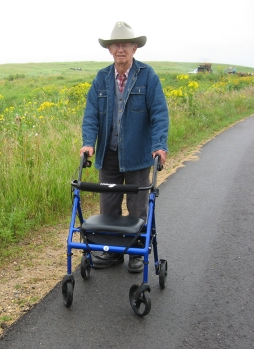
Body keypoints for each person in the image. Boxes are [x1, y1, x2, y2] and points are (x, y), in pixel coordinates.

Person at [79, 21, 169, 273]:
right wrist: (88, 143)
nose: (121, 49)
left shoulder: (147, 76)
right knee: (108, 206)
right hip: (109, 154)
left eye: (126, 45)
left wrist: (159, 146)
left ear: (134, 49)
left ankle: (137, 253)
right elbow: (91, 115)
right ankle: (112, 252)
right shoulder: (102, 78)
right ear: (109, 50)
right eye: (116, 45)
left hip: (139, 155)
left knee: (138, 207)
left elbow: (159, 114)